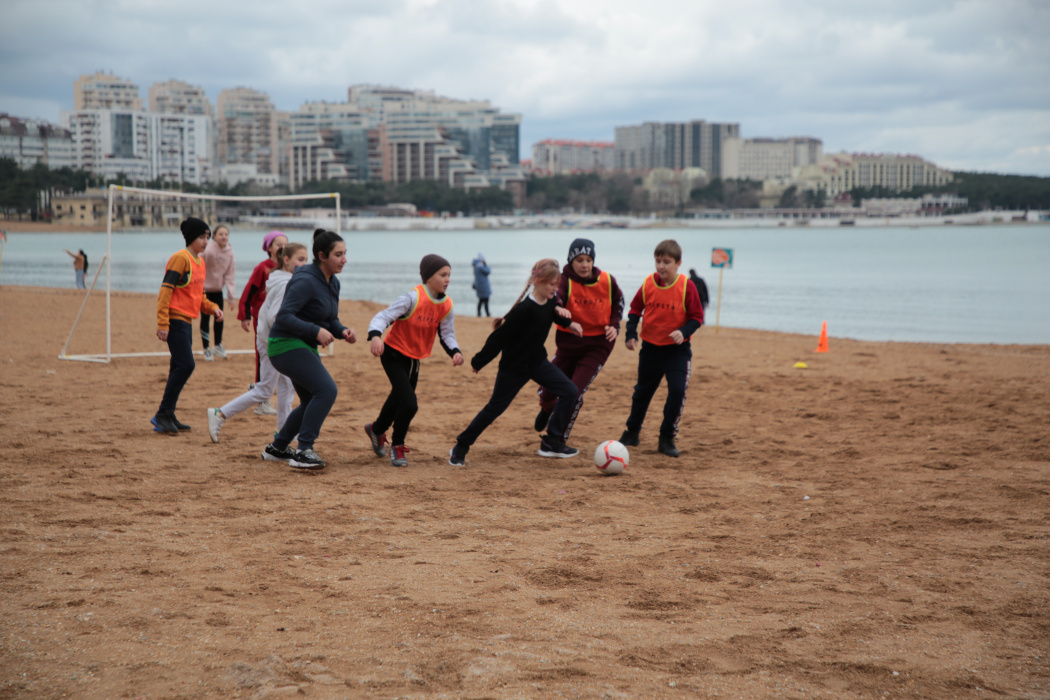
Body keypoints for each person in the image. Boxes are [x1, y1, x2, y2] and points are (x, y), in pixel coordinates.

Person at [448, 259, 582, 467]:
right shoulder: (524, 309)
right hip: (513, 367)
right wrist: (479, 360)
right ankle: (461, 446)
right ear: (537, 281)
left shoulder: (550, 300)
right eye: (551, 285)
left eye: (557, 285)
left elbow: (553, 313)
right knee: (494, 409)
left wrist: (569, 323)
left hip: (537, 362)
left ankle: (552, 440)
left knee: (571, 391)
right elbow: (500, 337)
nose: (556, 289)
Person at [261, 229, 357, 470]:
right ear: (322, 255)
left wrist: (342, 330)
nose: (344, 259)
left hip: (301, 345)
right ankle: (304, 450)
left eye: (345, 253)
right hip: (283, 345)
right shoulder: (305, 280)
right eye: (339, 254)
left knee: (311, 399)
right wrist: (315, 331)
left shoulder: (333, 281)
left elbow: (330, 318)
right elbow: (283, 317)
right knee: (326, 390)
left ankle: (278, 448)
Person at [364, 254, 464, 467]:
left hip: (414, 359)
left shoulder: (446, 305)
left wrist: (455, 351)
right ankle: (397, 446)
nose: (447, 279)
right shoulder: (411, 297)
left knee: (398, 398)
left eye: (449, 275)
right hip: (393, 354)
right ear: (428, 277)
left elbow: (447, 333)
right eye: (442, 274)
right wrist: (375, 336)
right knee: (409, 404)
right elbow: (383, 316)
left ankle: (376, 429)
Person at [207, 243, 308, 444]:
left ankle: (282, 432)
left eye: (306, 259)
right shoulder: (285, 283)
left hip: (272, 339)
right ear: (286, 259)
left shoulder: (282, 278)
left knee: (288, 386)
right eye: (300, 259)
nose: (304, 264)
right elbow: (275, 317)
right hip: (273, 342)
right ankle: (220, 413)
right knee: (265, 390)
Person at [620, 240, 705, 458]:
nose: (661, 266)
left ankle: (666, 437)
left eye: (666, 262)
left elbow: (697, 317)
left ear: (678, 264)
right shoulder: (649, 283)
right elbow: (635, 309)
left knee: (677, 391)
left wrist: (684, 332)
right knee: (642, 393)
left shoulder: (687, 286)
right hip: (650, 348)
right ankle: (632, 432)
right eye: (658, 261)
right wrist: (630, 334)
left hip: (677, 351)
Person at [534, 238, 625, 441]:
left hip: (598, 345)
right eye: (579, 260)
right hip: (568, 343)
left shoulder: (607, 280)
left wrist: (614, 323)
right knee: (547, 393)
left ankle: (557, 438)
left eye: (588, 259)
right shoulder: (563, 280)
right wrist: (558, 306)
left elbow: (619, 301)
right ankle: (548, 408)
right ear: (571, 261)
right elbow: (556, 296)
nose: (585, 264)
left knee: (573, 392)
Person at [151, 218, 223, 435]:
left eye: (208, 237)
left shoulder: (199, 263)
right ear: (191, 238)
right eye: (202, 237)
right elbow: (165, 291)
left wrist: (213, 308)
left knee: (178, 366)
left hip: (186, 321)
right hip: (174, 320)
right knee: (186, 365)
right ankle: (163, 413)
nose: (205, 241)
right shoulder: (180, 258)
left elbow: (198, 296)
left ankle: (168, 413)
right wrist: (163, 322)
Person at [237, 230, 287, 415]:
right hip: (262, 318)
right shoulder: (262, 268)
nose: (282, 247)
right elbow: (249, 291)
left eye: (285, 243)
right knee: (263, 356)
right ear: (269, 248)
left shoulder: (289, 268)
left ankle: (262, 390)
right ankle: (262, 399)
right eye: (277, 244)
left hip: (282, 320)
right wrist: (245, 315)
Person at [200, 224, 236, 361]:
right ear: (214, 236)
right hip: (204, 290)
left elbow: (229, 275)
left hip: (218, 290)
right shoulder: (207, 249)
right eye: (221, 234)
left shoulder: (230, 253)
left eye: (226, 234)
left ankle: (217, 345)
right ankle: (206, 349)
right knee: (205, 319)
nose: (224, 237)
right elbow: (198, 263)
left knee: (219, 318)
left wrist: (231, 296)